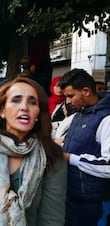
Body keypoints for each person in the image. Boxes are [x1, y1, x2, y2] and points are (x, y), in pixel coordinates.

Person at [0, 76, 67, 226]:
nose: (24, 107)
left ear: (38, 113)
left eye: (32, 102)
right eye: (16, 100)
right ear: (2, 111)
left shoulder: (52, 155)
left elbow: (52, 218)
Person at [58, 69, 110, 226]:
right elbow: (78, 144)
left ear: (86, 91)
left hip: (94, 204)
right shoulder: (80, 114)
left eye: (70, 96)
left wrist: (70, 158)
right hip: (73, 198)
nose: (67, 101)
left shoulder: (106, 119)